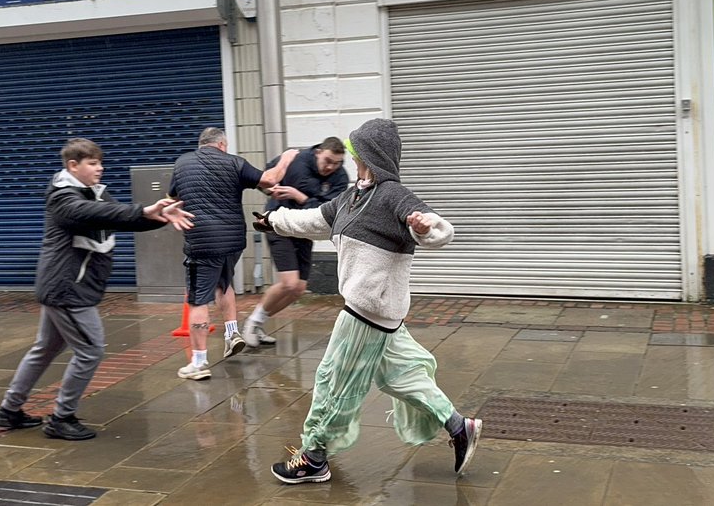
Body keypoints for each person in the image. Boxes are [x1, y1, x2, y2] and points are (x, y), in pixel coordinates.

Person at [252, 118, 481, 483]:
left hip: (366, 312)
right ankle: (459, 427)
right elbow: (315, 220)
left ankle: (314, 457)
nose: (351, 157)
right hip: (379, 314)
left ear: (368, 155)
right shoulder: (352, 196)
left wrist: (424, 228)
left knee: (333, 381)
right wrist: (274, 220)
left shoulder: (393, 194)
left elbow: (442, 230)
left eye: (356, 150)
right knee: (403, 376)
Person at [0, 138, 193, 441]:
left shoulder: (93, 194)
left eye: (100, 162)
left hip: (67, 285)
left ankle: (9, 410)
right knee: (90, 351)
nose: (100, 168)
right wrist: (145, 209)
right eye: (93, 163)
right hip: (68, 288)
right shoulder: (64, 198)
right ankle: (62, 417)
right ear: (73, 166)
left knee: (44, 348)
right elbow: (99, 214)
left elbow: (120, 217)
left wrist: (158, 217)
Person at [168, 127, 297, 380]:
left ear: (201, 144)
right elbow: (269, 180)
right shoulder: (234, 162)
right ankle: (231, 334)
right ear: (222, 144)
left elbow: (173, 196)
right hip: (233, 240)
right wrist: (286, 158)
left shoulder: (182, 162)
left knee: (197, 300)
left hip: (201, 241)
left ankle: (198, 362)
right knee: (223, 284)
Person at [242, 137, 349, 348]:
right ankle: (251, 323)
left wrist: (298, 195)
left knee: (298, 289)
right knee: (289, 283)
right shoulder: (296, 159)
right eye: (328, 160)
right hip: (276, 223)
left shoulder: (339, 178)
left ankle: (257, 323)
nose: (331, 167)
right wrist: (269, 189)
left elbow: (328, 210)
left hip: (303, 229)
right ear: (318, 152)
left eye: (337, 163)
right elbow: (266, 177)